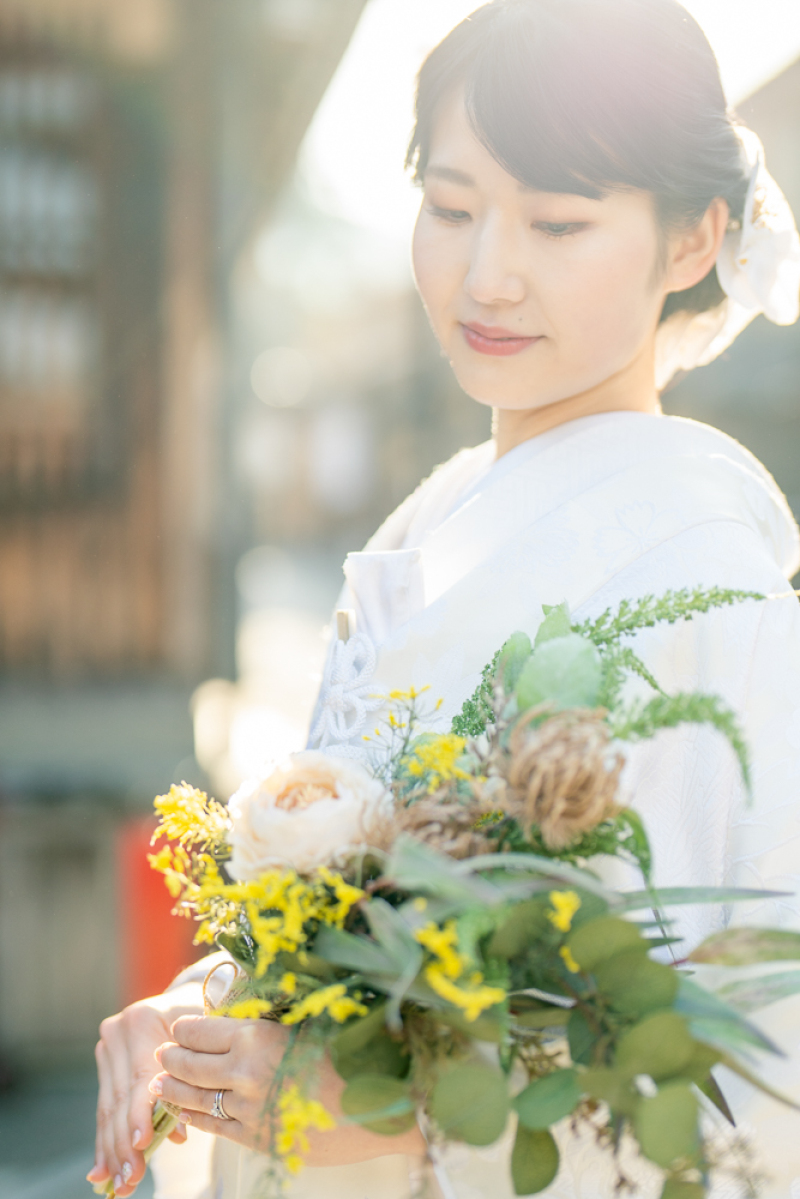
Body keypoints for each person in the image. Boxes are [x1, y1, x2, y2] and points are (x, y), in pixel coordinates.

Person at [88, 1, 800, 1196]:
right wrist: (205, 1004)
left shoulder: (700, 574)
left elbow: (753, 1087)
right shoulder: (432, 519)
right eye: (452, 206)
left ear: (690, 244)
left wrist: (412, 1118)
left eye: (557, 221)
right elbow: (336, 927)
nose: (485, 275)